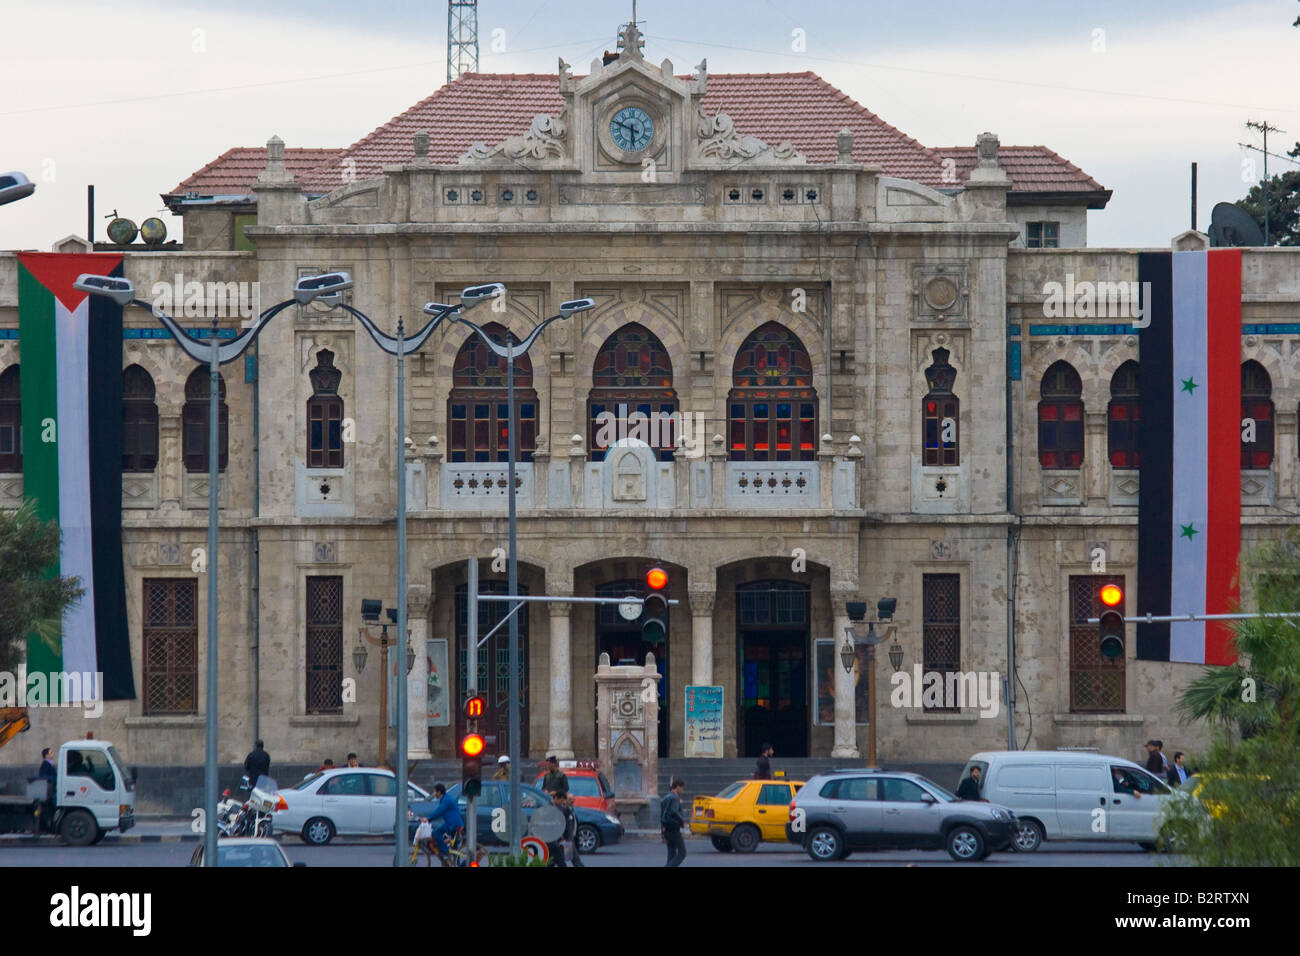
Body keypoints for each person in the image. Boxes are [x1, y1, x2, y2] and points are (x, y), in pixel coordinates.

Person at [424, 783, 464, 863]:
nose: (434, 794)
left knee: (436, 833)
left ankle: (444, 851)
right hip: (455, 823)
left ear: (439, 792)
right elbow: (440, 812)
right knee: (455, 847)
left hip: (452, 824)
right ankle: (457, 864)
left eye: (435, 792)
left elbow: (439, 811)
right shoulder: (446, 798)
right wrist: (430, 819)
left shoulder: (446, 800)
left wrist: (428, 818)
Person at [661, 778, 687, 867]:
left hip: (666, 829)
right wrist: (682, 821)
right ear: (678, 787)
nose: (683, 790)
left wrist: (662, 831)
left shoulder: (665, 798)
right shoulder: (675, 798)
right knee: (682, 853)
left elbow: (662, 815)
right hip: (674, 829)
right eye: (682, 788)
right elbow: (674, 812)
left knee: (671, 854)